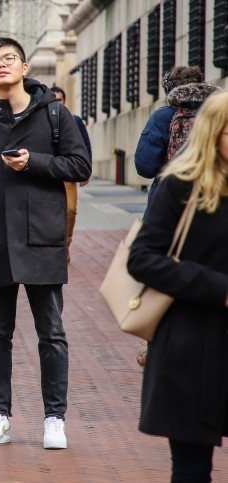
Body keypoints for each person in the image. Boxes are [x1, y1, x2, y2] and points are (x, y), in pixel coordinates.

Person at [0, 37, 91, 450]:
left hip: (42, 239)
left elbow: (79, 165)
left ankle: (54, 418)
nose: (1, 65)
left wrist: (35, 162)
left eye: (9, 59)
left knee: (51, 330)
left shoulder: (54, 115)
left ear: (25, 68)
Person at [127, 90, 228, 483]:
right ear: (212, 134)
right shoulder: (180, 186)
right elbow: (143, 258)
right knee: (191, 469)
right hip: (191, 345)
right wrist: (217, 288)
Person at [134, 66, 204, 206]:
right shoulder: (214, 113)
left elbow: (145, 166)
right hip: (209, 196)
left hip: (168, 196)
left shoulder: (163, 116)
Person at [49, 86, 93, 263]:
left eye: (59, 100)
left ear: (64, 101)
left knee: (70, 210)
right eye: (54, 99)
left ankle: (65, 245)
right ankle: (52, 247)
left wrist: (86, 171)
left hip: (68, 172)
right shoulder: (42, 120)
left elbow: (85, 145)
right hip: (48, 173)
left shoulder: (74, 120)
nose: (57, 103)